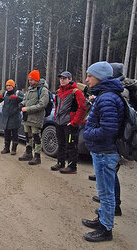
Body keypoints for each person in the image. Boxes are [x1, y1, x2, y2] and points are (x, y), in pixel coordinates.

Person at [81, 61, 124, 242]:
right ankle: (102, 220)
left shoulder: (107, 98)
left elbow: (109, 129)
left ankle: (106, 229)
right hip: (103, 151)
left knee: (106, 193)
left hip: (105, 152)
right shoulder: (106, 95)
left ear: (100, 77)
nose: (87, 79)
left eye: (90, 76)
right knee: (104, 190)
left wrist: (88, 133)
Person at [50, 71, 86, 174]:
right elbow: (56, 106)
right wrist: (56, 117)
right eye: (61, 78)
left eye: (64, 78)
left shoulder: (76, 92)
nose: (62, 80)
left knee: (71, 145)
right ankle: (60, 163)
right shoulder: (58, 92)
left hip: (70, 124)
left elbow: (82, 107)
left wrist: (74, 122)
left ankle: (72, 167)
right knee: (61, 144)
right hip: (59, 123)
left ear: (70, 79)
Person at [18, 70, 49, 165]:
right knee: (28, 136)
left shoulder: (43, 90)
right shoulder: (30, 89)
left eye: (31, 80)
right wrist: (21, 104)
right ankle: (28, 153)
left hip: (36, 118)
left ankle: (37, 156)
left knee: (36, 137)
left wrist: (27, 109)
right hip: (27, 117)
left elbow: (42, 105)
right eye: (29, 80)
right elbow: (25, 99)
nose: (29, 81)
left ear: (36, 79)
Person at [0, 79, 24, 155]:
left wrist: (17, 98)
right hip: (6, 117)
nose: (8, 87)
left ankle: (14, 149)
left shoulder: (18, 93)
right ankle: (6, 148)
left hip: (14, 117)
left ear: (13, 86)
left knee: (15, 134)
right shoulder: (5, 93)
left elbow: (24, 101)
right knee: (6, 134)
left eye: (10, 85)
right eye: (7, 85)